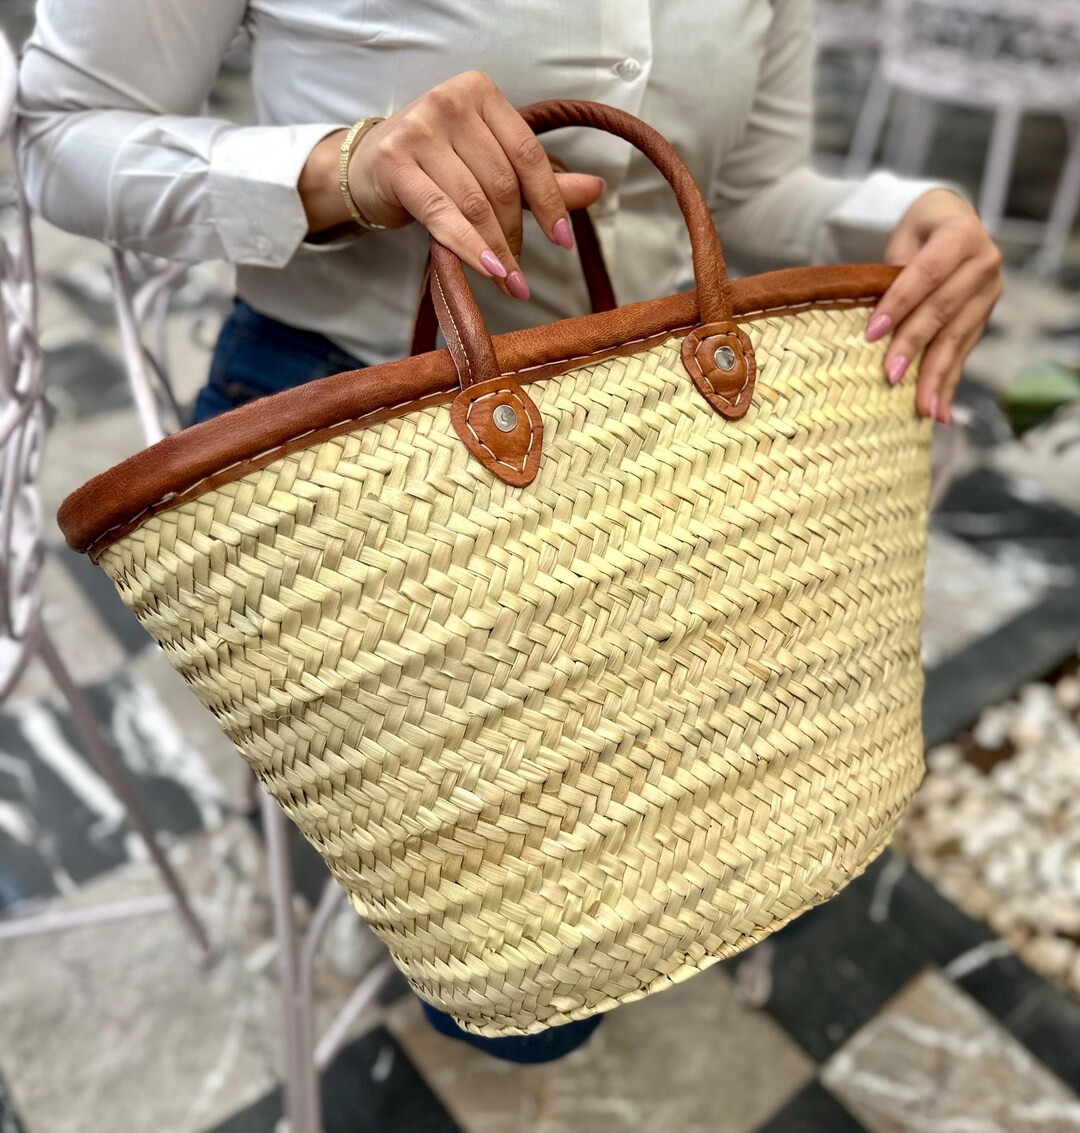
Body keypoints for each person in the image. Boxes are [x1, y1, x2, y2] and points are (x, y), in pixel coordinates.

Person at [17, 0, 1001, 1062]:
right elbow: (61, 134)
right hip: (350, 438)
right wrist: (343, 169)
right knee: (530, 966)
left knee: (778, 812)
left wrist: (911, 217)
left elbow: (756, 195)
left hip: (658, 411)